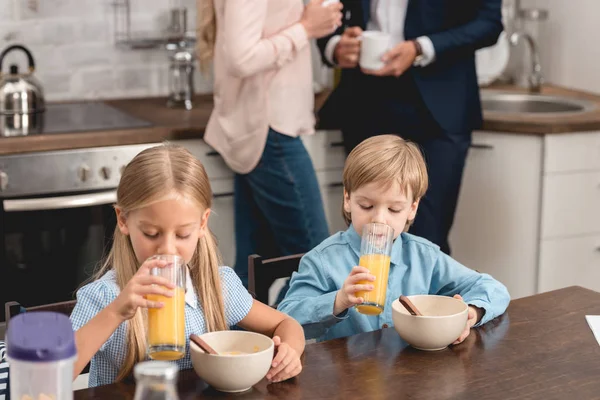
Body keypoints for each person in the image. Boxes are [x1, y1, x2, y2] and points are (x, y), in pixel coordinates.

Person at [70, 145, 305, 387]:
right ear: (123, 220)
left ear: (202, 223)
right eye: (151, 234)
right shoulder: (106, 297)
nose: (168, 249)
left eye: (182, 234)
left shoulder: (217, 287)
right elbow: (56, 373)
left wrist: (290, 351)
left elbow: (286, 324)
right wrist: (116, 312)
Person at [278, 135, 510, 342]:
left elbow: (493, 288)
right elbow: (285, 319)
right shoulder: (323, 261)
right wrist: (338, 301)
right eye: (366, 205)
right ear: (347, 199)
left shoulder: (424, 256)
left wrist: (472, 312)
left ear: (412, 209)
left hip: (411, 376)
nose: (379, 218)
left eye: (394, 209)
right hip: (347, 381)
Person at [316, 0, 503, 255]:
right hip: (364, 100)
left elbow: (489, 23)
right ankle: (369, 296)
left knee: (427, 239)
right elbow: (326, 8)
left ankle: (422, 297)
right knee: (367, 235)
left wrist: (421, 47)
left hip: (440, 105)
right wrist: (335, 46)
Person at [196, 0, 343, 286]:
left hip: (263, 129)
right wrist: (306, 28)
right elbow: (241, 58)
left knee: (253, 268)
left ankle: (246, 330)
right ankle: (282, 329)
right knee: (315, 263)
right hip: (270, 130)